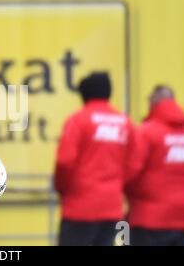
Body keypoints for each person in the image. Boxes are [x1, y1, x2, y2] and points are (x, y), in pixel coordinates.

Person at [54, 72, 135, 246]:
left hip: (79, 208)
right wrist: (116, 187)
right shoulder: (125, 123)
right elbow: (132, 165)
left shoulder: (78, 120)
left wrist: (62, 188)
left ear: (84, 95)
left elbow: (64, 162)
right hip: (111, 208)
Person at [126, 85, 184, 246]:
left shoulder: (146, 132)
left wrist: (134, 196)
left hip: (148, 219)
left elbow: (131, 172)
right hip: (181, 219)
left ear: (153, 103)